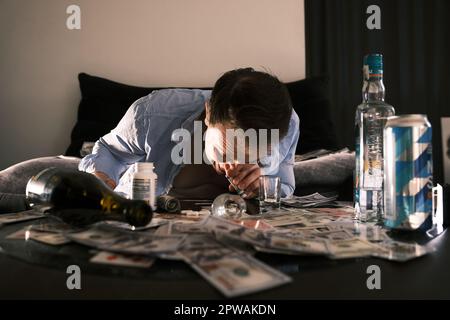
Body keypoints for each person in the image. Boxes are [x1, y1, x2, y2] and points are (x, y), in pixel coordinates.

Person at [79, 68, 300, 200]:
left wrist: (264, 186)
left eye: (250, 158)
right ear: (208, 113)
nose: (229, 168)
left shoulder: (287, 123)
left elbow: (286, 185)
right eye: (223, 153)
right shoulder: (150, 114)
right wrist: (101, 178)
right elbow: (109, 151)